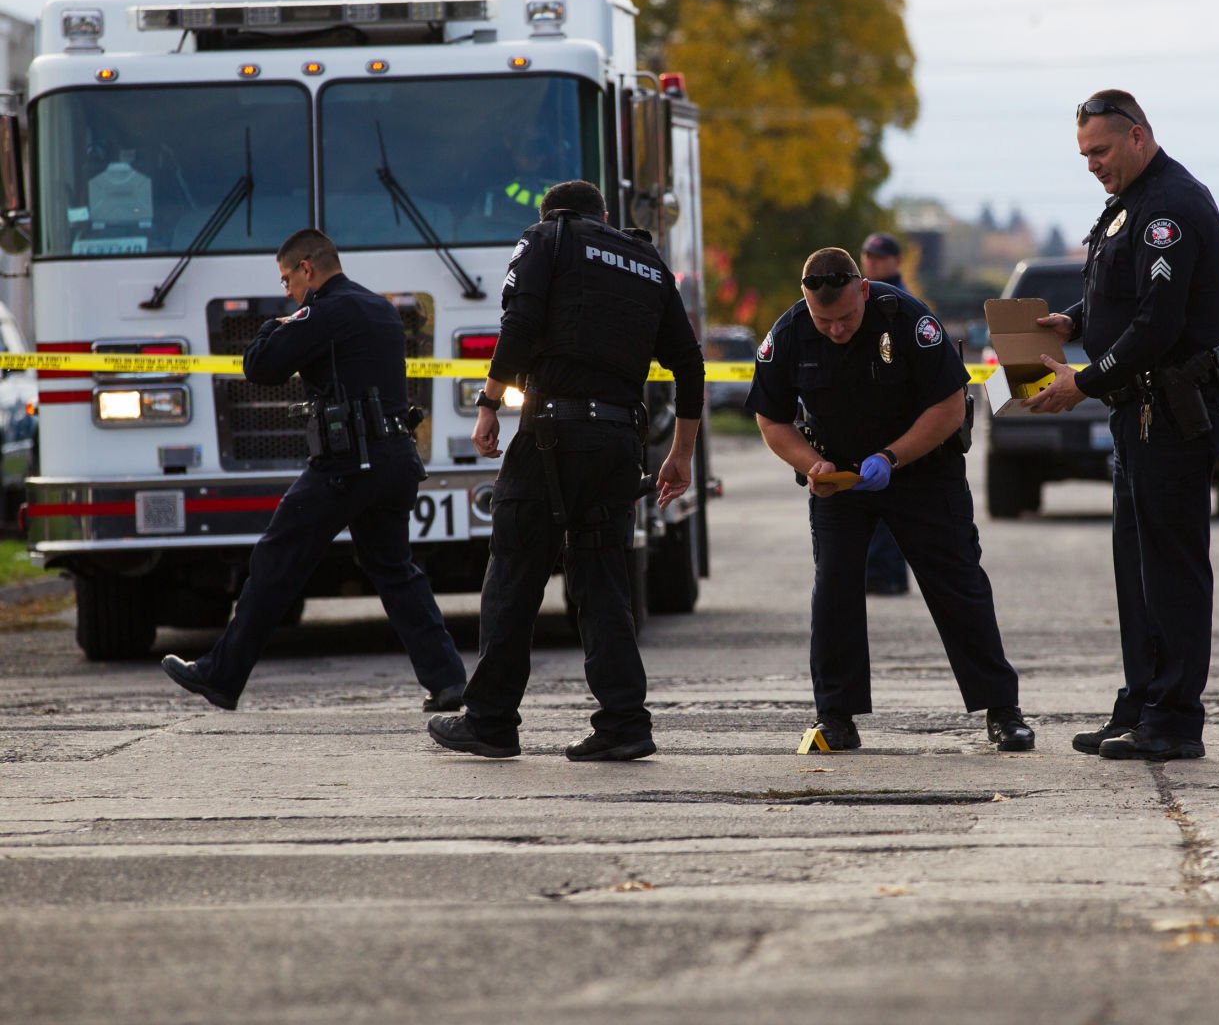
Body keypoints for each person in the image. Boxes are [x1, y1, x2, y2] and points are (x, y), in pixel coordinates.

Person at [427, 180, 703, 762]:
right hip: (617, 444)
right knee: (602, 581)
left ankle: (492, 721)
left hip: (552, 435)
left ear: (552, 212)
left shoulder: (545, 238)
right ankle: (625, 722)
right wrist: (680, 453)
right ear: (603, 214)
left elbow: (520, 324)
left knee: (515, 573)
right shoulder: (647, 260)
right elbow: (689, 362)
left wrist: (487, 405)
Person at [160, 228, 467, 711]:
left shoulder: (324, 311)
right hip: (394, 459)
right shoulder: (377, 307)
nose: (286, 290)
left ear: (308, 268)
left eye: (286, 279)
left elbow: (260, 367)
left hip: (347, 464)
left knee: (275, 560)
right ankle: (448, 680)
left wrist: (274, 325)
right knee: (396, 571)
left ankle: (221, 676)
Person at [746, 247, 1033, 753]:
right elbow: (772, 419)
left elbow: (948, 406)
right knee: (834, 588)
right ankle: (835, 716)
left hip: (921, 470)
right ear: (805, 302)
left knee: (957, 583)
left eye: (846, 318)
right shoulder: (789, 332)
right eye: (824, 320)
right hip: (838, 478)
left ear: (863, 290)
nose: (835, 330)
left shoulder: (907, 319)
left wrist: (891, 458)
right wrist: (810, 464)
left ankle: (1002, 711)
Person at [1024, 90, 1219, 762]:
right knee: (1136, 569)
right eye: (1084, 153)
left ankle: (1174, 719)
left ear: (1138, 135)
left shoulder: (1168, 207)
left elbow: (1160, 322)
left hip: (1170, 411)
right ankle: (1142, 702)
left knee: (1170, 570)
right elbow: (1119, 294)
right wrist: (1075, 321)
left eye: (1101, 150)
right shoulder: (1129, 205)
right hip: (1137, 414)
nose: (1092, 164)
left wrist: (1083, 380)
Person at [858, 231, 912, 596]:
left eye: (879, 257)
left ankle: (887, 575)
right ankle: (879, 573)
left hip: (893, 412)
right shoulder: (863, 297)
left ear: (896, 261)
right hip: (870, 409)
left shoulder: (899, 302)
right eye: (867, 256)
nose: (872, 262)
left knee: (888, 499)